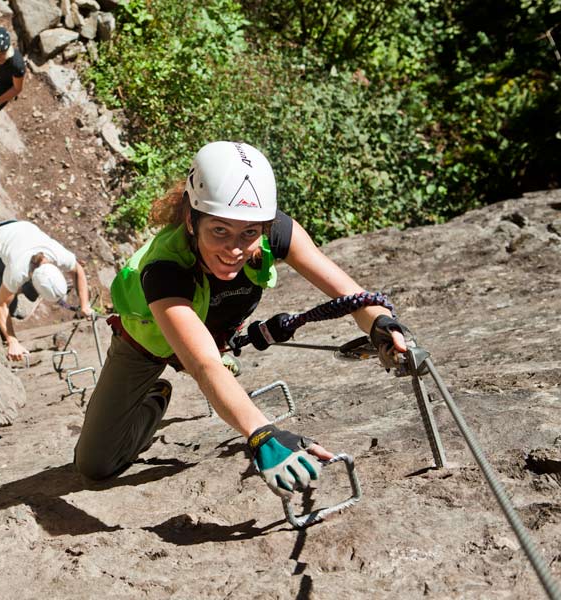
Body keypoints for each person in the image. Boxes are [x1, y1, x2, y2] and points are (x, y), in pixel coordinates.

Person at [74, 141, 409, 501]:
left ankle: (156, 391)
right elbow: (204, 365)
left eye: (249, 233)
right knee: (95, 464)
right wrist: (261, 433)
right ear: (191, 219)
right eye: (220, 231)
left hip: (210, 338)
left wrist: (380, 323)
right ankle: (154, 397)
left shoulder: (273, 230)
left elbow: (349, 295)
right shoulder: (164, 270)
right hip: (146, 343)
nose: (235, 249)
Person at [0, 220, 93, 362]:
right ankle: (8, 320)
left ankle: (21, 294)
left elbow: (78, 270)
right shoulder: (17, 272)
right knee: (6, 299)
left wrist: (85, 305)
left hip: (22, 229)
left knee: (16, 292)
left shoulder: (59, 255)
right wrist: (12, 341)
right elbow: (1, 305)